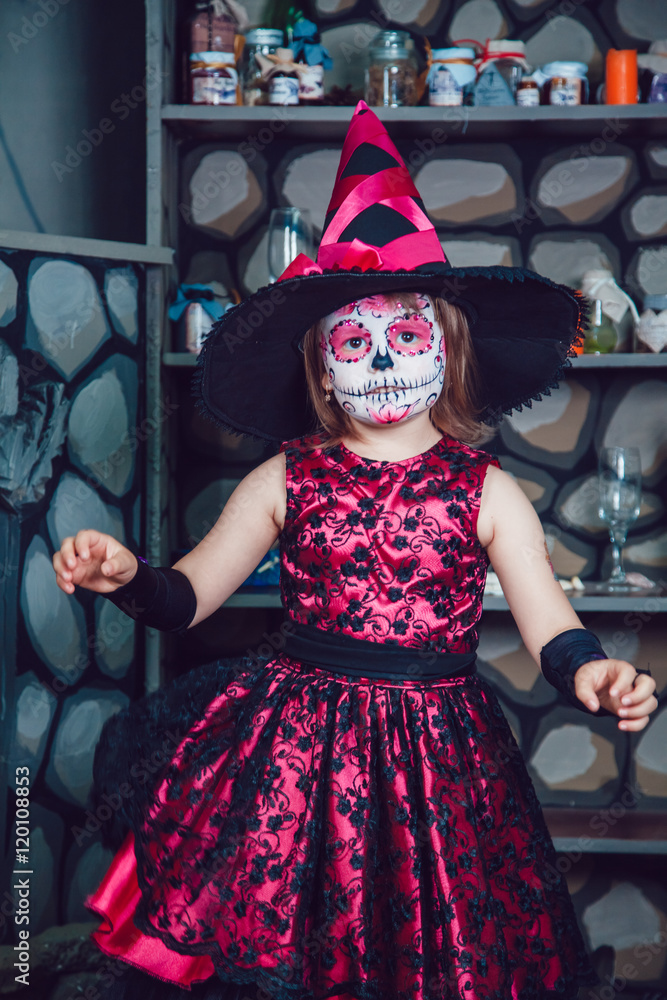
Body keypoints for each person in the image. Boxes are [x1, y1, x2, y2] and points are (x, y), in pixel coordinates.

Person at [52, 103, 657, 1000]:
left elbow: (552, 629)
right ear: (318, 362)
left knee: (431, 949)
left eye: (405, 333)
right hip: (295, 754)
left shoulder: (487, 489)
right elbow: (186, 599)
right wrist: (124, 575)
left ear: (447, 347)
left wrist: (593, 676)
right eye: (353, 339)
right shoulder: (284, 478)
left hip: (443, 759)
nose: (380, 359)